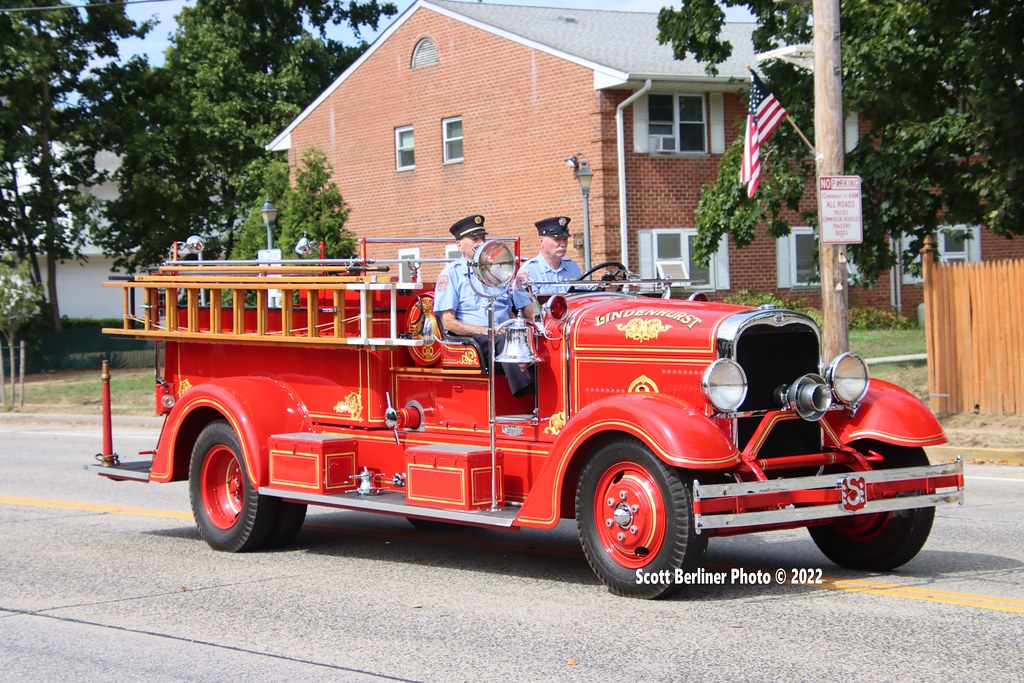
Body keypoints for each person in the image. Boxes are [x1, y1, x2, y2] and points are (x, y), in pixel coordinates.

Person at [433, 215, 533, 397]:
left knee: (540, 338)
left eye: (482, 239)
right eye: (474, 239)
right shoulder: (451, 275)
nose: (480, 243)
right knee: (505, 342)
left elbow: (509, 311)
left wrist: (525, 328)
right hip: (477, 337)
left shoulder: (498, 271)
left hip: (504, 330)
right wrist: (486, 330)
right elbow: (448, 322)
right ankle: (529, 394)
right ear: (459, 245)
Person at [513, 216, 582, 318]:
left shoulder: (573, 267)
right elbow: (531, 312)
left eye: (565, 239)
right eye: (557, 239)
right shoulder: (529, 271)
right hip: (545, 330)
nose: (563, 244)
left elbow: (583, 300)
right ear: (541, 241)